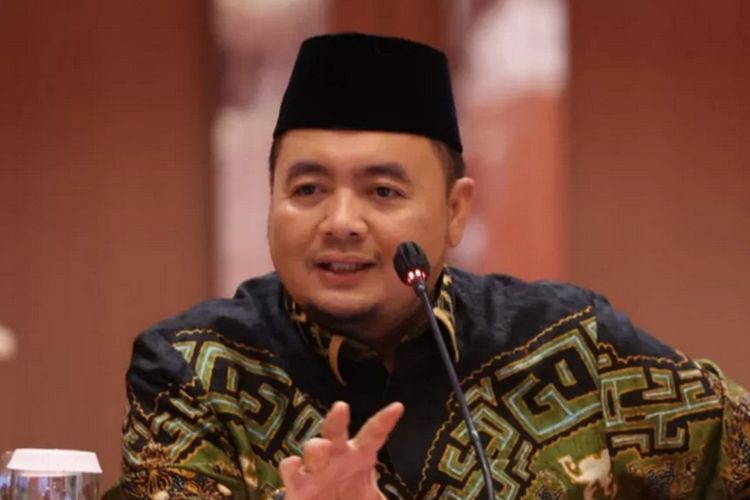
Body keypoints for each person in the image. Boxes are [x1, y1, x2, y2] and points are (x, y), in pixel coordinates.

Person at [105, 33, 750, 499]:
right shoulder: (193, 368)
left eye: (383, 191)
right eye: (308, 189)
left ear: (454, 212)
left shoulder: (577, 345)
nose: (341, 221)